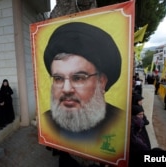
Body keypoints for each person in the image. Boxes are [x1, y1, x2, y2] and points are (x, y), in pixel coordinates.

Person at [41, 22, 125, 166]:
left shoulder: (123, 125)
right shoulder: (47, 121)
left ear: (102, 82)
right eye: (58, 79)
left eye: (78, 78)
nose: (66, 89)